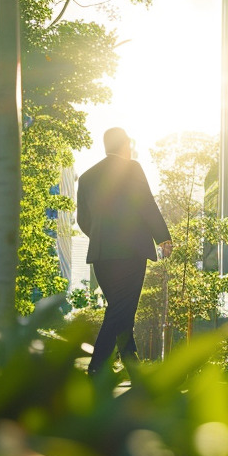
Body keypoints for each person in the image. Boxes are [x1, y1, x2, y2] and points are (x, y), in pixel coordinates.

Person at [76, 127, 172, 372]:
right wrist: (163, 238)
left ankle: (132, 366)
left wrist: (101, 238)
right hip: (130, 253)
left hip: (101, 256)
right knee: (121, 309)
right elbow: (145, 202)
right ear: (125, 145)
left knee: (121, 309)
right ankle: (97, 366)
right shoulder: (132, 168)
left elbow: (83, 220)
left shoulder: (87, 177)